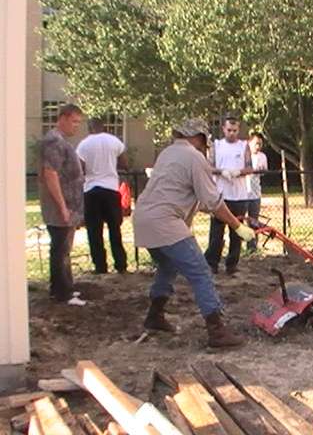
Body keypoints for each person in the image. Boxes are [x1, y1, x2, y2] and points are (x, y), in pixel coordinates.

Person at [133, 119, 254, 348]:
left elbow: (185, 194)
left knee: (168, 267)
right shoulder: (195, 157)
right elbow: (213, 201)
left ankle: (154, 316)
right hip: (165, 222)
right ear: (199, 138)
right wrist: (236, 225)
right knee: (200, 272)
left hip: (143, 219)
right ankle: (217, 331)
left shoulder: (167, 154)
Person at [39, 103, 87, 306]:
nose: (76, 126)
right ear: (64, 118)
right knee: (60, 249)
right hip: (61, 207)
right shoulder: (54, 142)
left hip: (69, 205)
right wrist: (62, 207)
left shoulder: (60, 141)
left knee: (64, 248)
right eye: (75, 121)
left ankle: (63, 287)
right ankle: (62, 293)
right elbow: (50, 174)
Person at [76, 118, 128, 274]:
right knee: (115, 229)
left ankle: (100, 266)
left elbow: (80, 167)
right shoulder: (114, 141)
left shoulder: (84, 144)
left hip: (91, 189)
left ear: (89, 128)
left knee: (94, 231)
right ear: (103, 127)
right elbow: (124, 162)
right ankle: (121, 264)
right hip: (111, 188)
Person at [204, 116, 253, 275]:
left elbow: (249, 168)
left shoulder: (244, 146)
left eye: (235, 130)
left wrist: (238, 172)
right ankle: (212, 263)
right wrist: (222, 172)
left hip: (239, 195)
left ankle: (232, 264)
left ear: (238, 130)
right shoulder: (216, 146)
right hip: (221, 195)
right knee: (216, 233)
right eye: (229, 130)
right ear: (224, 129)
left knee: (236, 232)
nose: (232, 133)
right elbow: (209, 166)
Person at [246, 132, 268, 251]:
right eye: (256, 143)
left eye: (260, 144)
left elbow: (264, 171)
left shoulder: (262, 156)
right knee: (239, 220)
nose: (258, 146)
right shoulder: (243, 155)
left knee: (253, 221)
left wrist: (258, 170)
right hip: (242, 193)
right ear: (250, 143)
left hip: (255, 193)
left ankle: (252, 247)